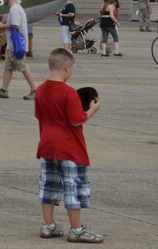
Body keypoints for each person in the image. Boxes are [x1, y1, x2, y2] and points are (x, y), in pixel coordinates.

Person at [35, 47, 102, 243]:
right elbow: (76, 120)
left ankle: (48, 225)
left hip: (47, 145)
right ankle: (77, 229)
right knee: (73, 187)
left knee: (49, 185)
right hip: (69, 147)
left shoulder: (39, 91)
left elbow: (40, 116)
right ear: (67, 67)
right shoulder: (69, 93)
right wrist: (93, 110)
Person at [0, 0, 37, 99]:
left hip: (16, 46)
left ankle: (35, 90)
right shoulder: (17, 8)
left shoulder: (14, 9)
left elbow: (16, 25)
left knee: (23, 67)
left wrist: (2, 26)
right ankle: (4, 90)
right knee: (8, 67)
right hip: (11, 45)